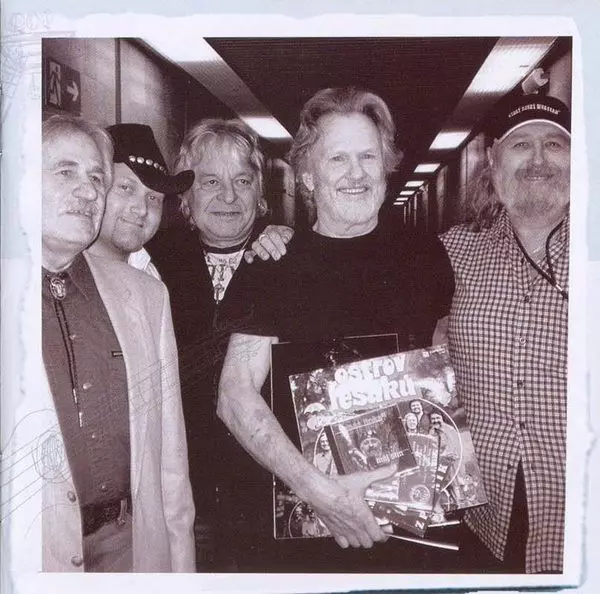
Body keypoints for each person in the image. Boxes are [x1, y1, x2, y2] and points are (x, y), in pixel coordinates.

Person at [218, 87, 455, 572]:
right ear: (308, 175)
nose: (356, 173)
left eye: (368, 156)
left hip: (414, 525)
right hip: (310, 529)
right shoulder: (271, 267)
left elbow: (443, 365)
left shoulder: (424, 256)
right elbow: (234, 396)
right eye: (338, 159)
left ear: (386, 168)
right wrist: (321, 493)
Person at [35, 114, 195, 572]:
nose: (88, 192)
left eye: (96, 178)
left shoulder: (148, 295)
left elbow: (169, 461)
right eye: (66, 172)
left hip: (132, 548)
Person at [145, 118, 292, 570]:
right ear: (185, 195)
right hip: (178, 490)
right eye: (210, 181)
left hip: (268, 492)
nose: (228, 196)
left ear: (260, 193)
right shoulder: (153, 263)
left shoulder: (287, 261)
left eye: (242, 181)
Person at [441, 93, 571, 574]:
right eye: (521, 145)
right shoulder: (453, 252)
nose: (538, 160)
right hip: (481, 518)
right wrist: (279, 240)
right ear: (493, 162)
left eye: (554, 144)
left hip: (577, 515)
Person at [86, 123, 194, 278]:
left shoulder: (154, 277)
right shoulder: (57, 273)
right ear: (94, 188)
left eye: (153, 198)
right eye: (126, 188)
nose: (142, 209)